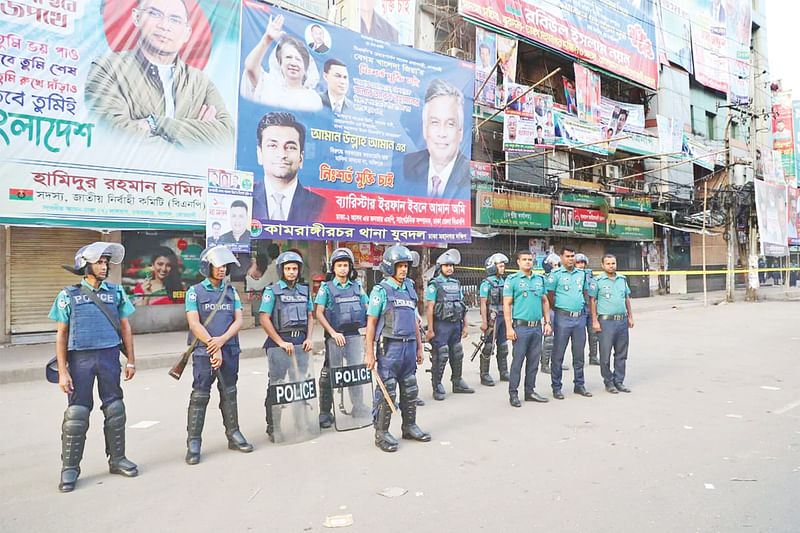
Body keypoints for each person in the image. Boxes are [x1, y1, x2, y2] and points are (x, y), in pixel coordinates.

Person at [48, 242, 137, 492]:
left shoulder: (116, 292)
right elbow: (61, 334)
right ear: (85, 265)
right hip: (81, 360)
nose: (104, 266)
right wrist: (63, 371)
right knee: (77, 415)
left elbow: (126, 327)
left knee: (115, 408)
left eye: (106, 262)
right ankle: (70, 468)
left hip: (109, 357)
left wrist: (130, 359)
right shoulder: (68, 295)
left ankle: (117, 459)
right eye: (99, 262)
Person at [85, 0, 233, 146]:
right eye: (154, 14)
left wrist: (154, 123)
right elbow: (114, 133)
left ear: (187, 33)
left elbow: (227, 137)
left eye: (175, 20)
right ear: (136, 17)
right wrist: (197, 136)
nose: (164, 26)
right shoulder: (107, 68)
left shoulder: (201, 83)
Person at [184, 246, 253, 465]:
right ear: (207, 267)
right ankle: (193, 442)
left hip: (229, 348)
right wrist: (213, 345)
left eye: (224, 266)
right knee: (200, 395)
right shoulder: (194, 291)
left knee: (229, 392)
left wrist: (221, 341)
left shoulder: (231, 292)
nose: (222, 270)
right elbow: (194, 323)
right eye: (218, 266)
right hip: (204, 351)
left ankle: (233, 434)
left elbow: (239, 320)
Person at [365, 245, 430, 452]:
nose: (403, 270)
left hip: (409, 346)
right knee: (387, 392)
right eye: (399, 266)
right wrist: (369, 352)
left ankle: (409, 426)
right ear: (390, 267)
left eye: (405, 266)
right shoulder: (381, 290)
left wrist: (419, 348)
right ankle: (381, 432)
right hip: (389, 348)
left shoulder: (410, 288)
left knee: (410, 388)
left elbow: (415, 321)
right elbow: (371, 323)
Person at [259, 251, 315, 442]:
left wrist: (309, 338)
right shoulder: (272, 291)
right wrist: (280, 342)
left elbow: (310, 316)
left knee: (300, 385)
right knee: (277, 387)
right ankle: (274, 427)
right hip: (279, 346)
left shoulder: (304, 291)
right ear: (282, 270)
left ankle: (302, 424)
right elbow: (264, 319)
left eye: (294, 269)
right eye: (288, 268)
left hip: (300, 344)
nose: (291, 272)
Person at [314, 248, 370, 429]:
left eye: (346, 265)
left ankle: (358, 405)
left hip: (353, 335)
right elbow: (319, 313)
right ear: (334, 268)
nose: (343, 269)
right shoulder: (326, 288)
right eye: (339, 265)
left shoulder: (357, 286)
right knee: (330, 373)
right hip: (335, 337)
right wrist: (332, 333)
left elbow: (367, 306)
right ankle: (325, 412)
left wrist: (368, 328)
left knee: (355, 371)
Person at [251, 112, 326, 223]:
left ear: (301, 158)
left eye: (290, 147)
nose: (282, 154)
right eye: (272, 145)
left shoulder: (321, 205)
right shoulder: (245, 197)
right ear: (259, 154)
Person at [403, 79, 470, 199]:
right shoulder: (408, 166)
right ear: (425, 129)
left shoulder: (469, 175)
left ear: (460, 132)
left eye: (450, 124)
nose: (442, 133)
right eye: (435, 122)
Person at [242, 14, 323, 111]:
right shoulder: (269, 86)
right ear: (280, 63)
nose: (293, 63)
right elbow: (250, 67)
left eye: (298, 59)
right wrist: (267, 39)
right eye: (288, 57)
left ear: (305, 65)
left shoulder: (312, 98)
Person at [503, 250, 552, 407]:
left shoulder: (539, 279)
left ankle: (530, 391)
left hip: (536, 327)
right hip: (520, 327)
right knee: (518, 362)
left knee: (534, 362)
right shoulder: (513, 280)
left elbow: (545, 301)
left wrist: (548, 322)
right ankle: (513, 394)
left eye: (530, 259)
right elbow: (507, 304)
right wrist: (509, 328)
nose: (528, 262)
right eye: (524, 259)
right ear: (518, 262)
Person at [425, 249, 473, 400]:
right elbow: (430, 308)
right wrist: (430, 329)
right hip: (441, 325)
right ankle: (437, 385)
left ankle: (457, 381)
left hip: (455, 324)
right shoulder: (434, 285)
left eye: (451, 265)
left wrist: (465, 326)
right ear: (440, 267)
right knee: (441, 354)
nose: (449, 268)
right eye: (446, 266)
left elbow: (462, 305)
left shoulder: (455, 283)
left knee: (457, 353)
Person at [546, 247, 592, 399]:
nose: (571, 259)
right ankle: (556, 387)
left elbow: (585, 292)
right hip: (563, 318)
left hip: (579, 318)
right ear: (562, 257)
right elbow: (550, 295)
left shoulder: (582, 274)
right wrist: (560, 309)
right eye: (568, 256)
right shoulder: (555, 274)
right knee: (558, 354)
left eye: (573, 256)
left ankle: (579, 385)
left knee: (579, 354)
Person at [589, 254, 634, 393]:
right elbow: (592, 301)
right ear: (603, 265)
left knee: (621, 353)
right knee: (605, 353)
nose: (611, 266)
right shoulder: (597, 281)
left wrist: (630, 317)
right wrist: (595, 320)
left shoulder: (622, 279)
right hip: (605, 322)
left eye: (613, 263)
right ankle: (608, 382)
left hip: (621, 320)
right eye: (608, 263)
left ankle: (619, 381)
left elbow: (626, 298)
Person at [478, 253, 511, 386]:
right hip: (492, 317)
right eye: (500, 266)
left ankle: (503, 372)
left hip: (503, 316)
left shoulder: (504, 282)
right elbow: (483, 303)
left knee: (503, 346)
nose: (503, 268)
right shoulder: (486, 284)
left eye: (503, 266)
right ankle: (484, 374)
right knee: (488, 346)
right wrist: (485, 322)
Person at [575, 253, 599, 366]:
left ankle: (593, 357)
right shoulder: (572, 275)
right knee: (579, 337)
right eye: (578, 263)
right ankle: (579, 360)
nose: (581, 265)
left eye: (583, 263)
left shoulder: (589, 274)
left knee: (593, 334)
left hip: (590, 307)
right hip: (579, 308)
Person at [540, 252, 561, 374]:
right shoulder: (544, 278)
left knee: (560, 337)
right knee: (549, 338)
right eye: (555, 264)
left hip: (560, 309)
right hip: (550, 310)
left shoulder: (560, 276)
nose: (557, 266)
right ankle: (545, 363)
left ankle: (556, 362)